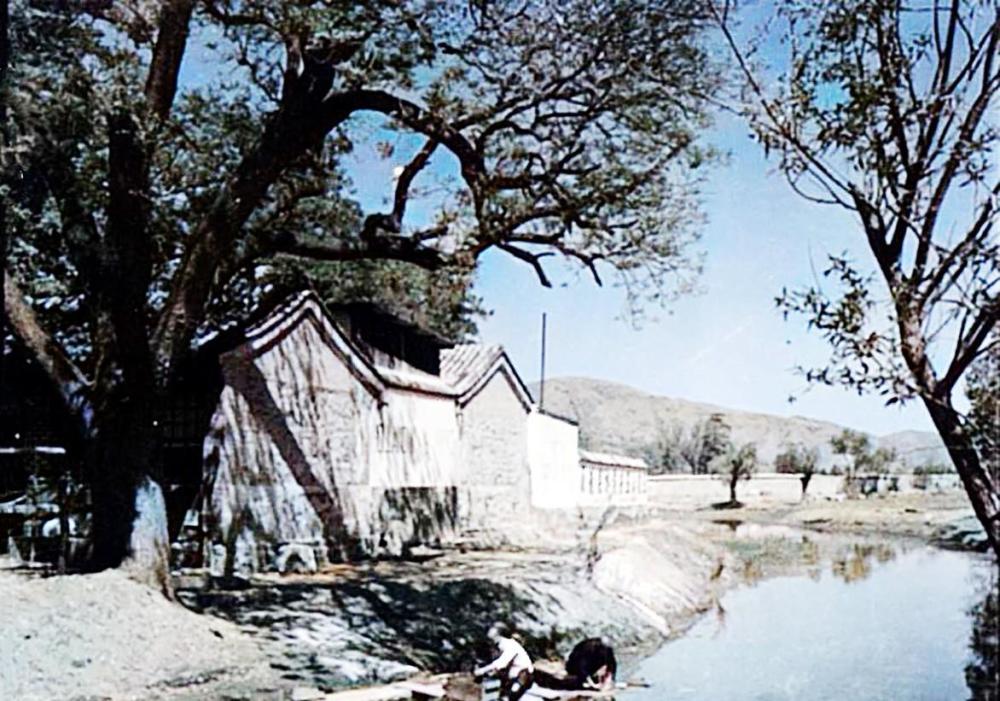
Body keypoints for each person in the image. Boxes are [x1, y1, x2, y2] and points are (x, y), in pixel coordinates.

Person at [473, 623, 534, 700]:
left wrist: (482, 671)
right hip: (507, 678)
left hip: (520, 678)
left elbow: (501, 663)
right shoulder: (498, 646)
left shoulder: (510, 645)